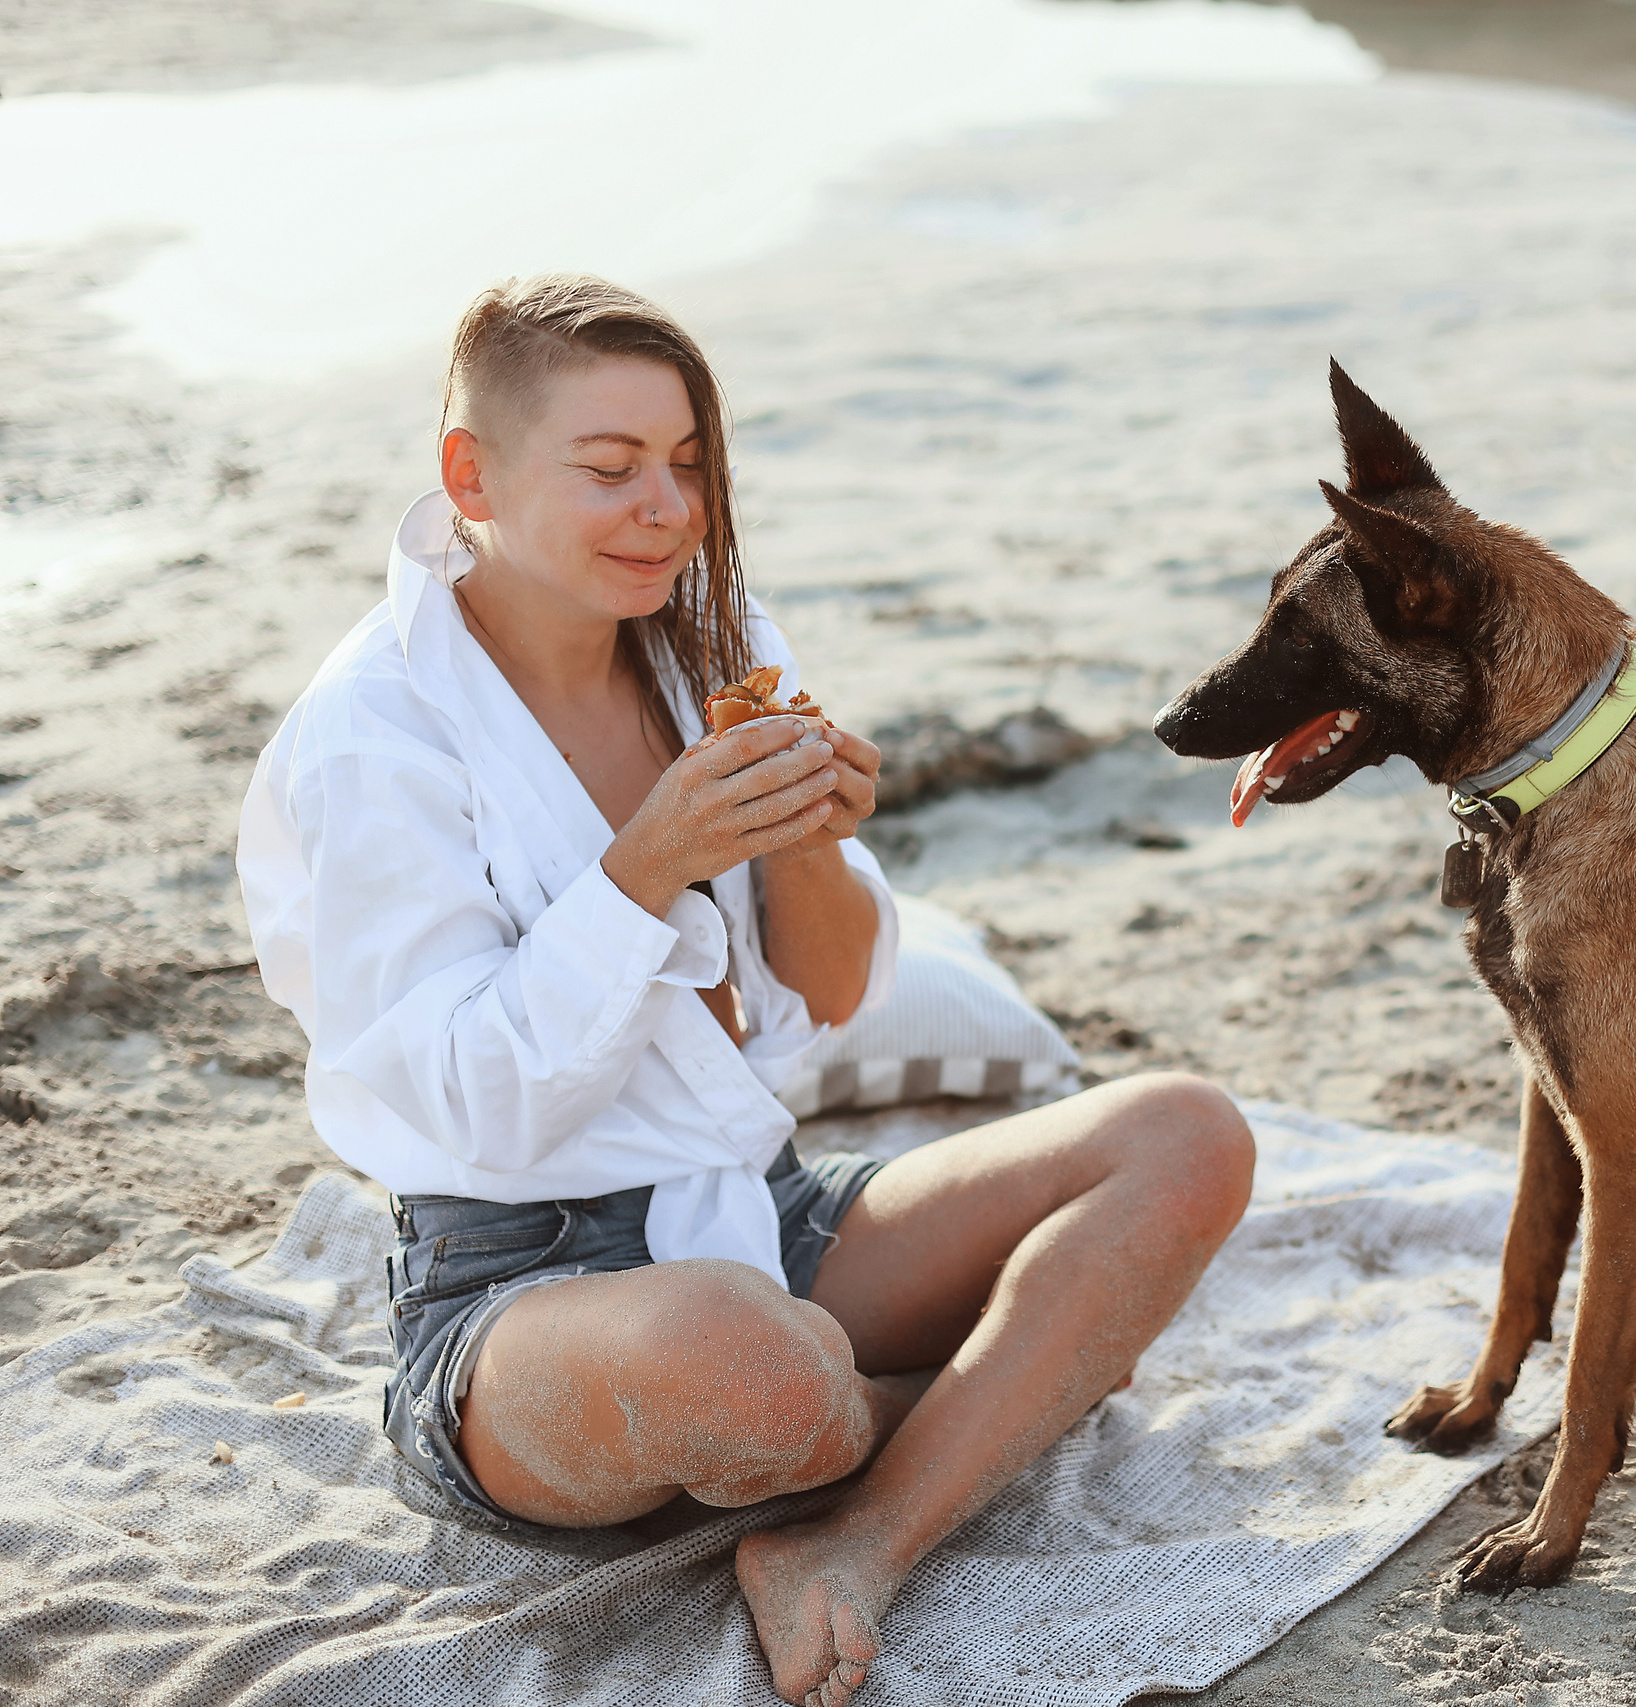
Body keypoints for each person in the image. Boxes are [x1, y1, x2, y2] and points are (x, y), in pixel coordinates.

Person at [236, 274, 1254, 1707]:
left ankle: (860, 1536)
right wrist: (646, 866)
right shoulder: (373, 737)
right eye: (611, 468)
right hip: (517, 1286)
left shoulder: (715, 637)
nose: (668, 510)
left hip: (756, 1205)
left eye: (689, 463)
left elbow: (828, 994)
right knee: (757, 1375)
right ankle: (1009, 1388)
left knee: (1185, 1133)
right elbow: (477, 1107)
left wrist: (813, 840)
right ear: (472, 475)